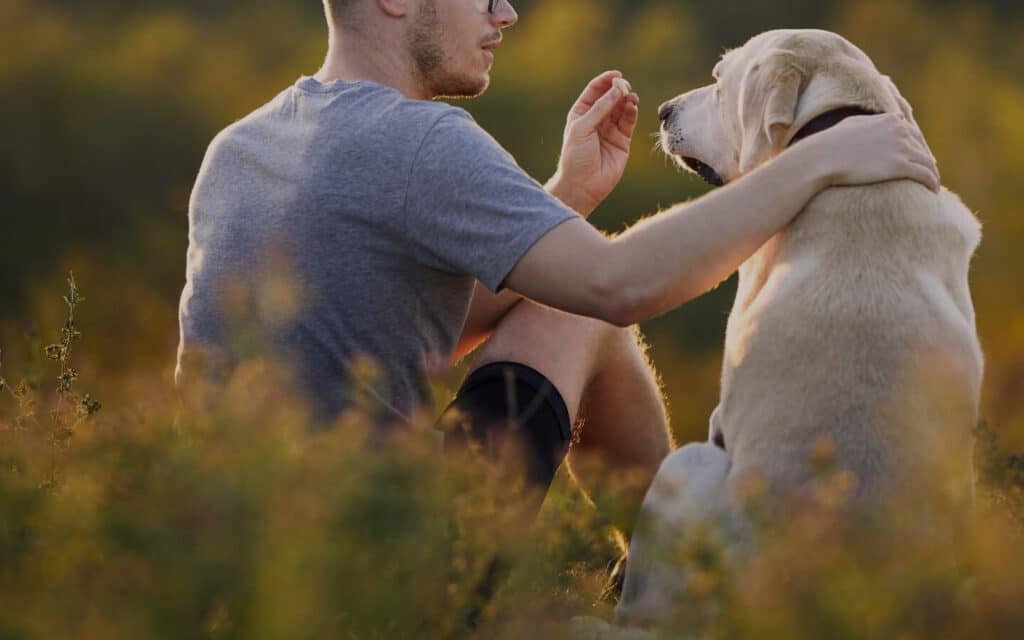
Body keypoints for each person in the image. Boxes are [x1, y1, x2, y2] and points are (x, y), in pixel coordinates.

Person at [175, 0, 939, 548]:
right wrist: (817, 158)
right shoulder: (417, 140)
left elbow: (417, 323)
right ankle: (691, 573)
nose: (505, 14)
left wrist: (563, 200)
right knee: (582, 308)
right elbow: (617, 284)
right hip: (386, 570)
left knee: (555, 297)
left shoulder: (239, 148)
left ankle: (672, 563)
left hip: (223, 560)